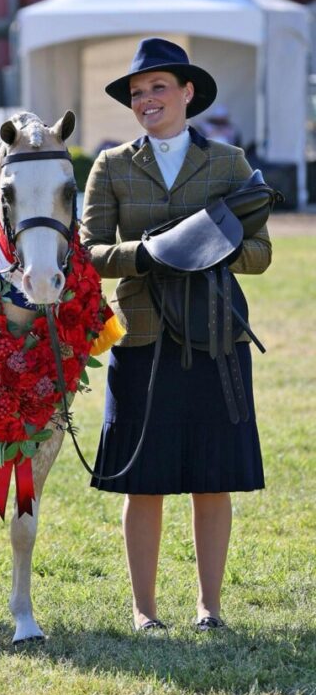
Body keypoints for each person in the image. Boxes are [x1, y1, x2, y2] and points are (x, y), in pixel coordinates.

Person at [80, 38, 272, 633]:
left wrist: (207, 250)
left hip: (217, 339)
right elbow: (86, 255)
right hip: (139, 338)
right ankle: (144, 611)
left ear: (188, 93)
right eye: (137, 93)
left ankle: (209, 608)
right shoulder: (110, 166)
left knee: (213, 479)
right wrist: (151, 254)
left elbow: (261, 254)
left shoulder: (230, 163)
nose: (147, 100)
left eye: (158, 87)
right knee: (147, 481)